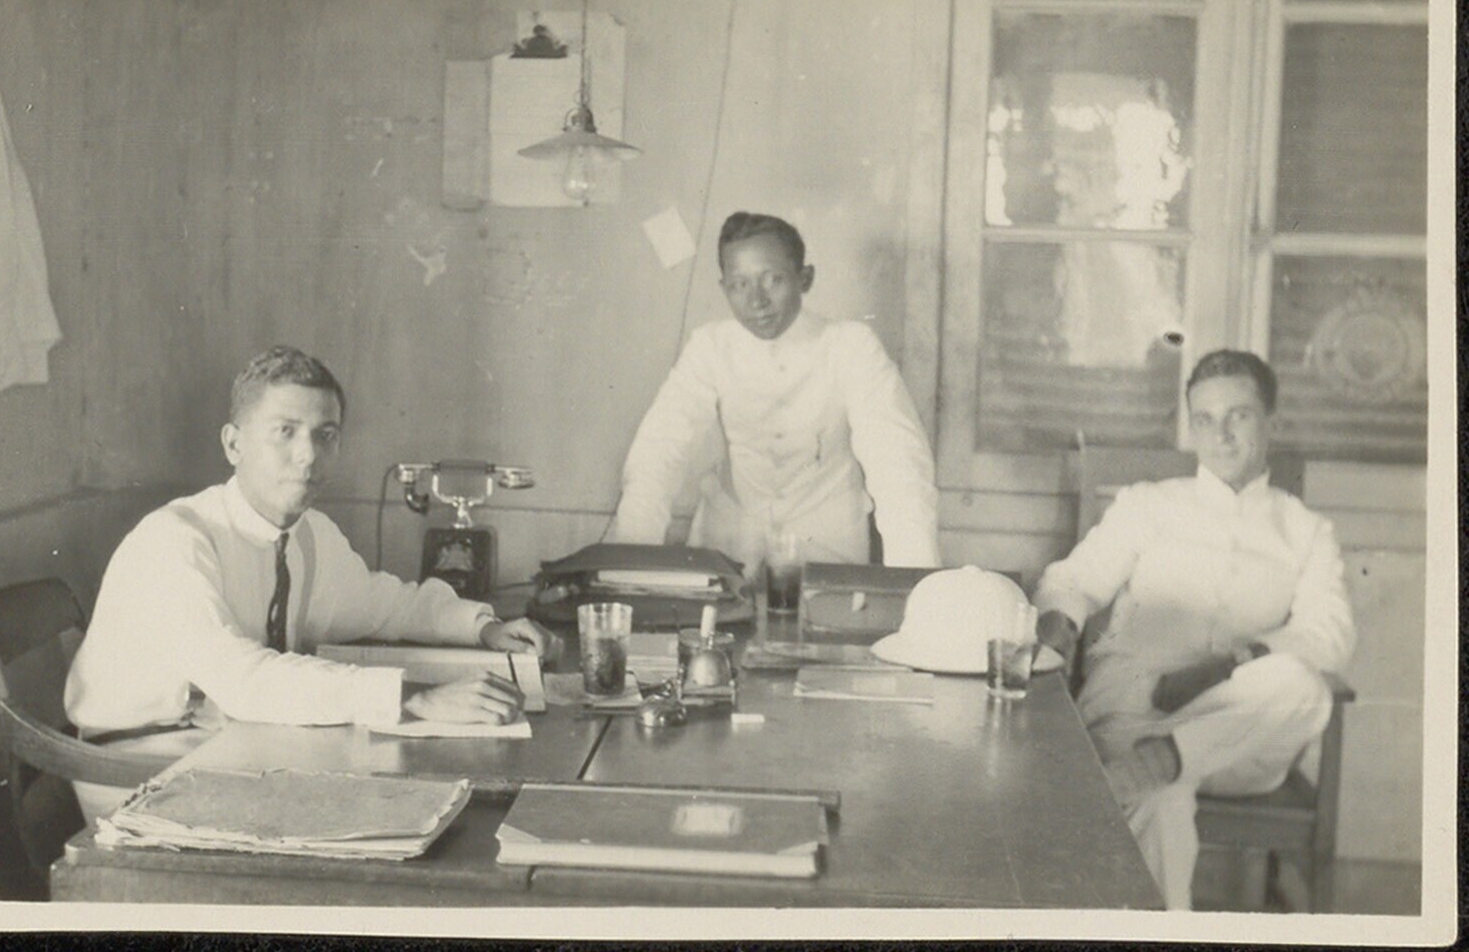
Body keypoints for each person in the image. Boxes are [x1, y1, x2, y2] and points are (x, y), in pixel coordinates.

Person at [64, 346, 558, 819]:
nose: (308, 455)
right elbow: (241, 680)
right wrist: (414, 697)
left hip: (233, 744)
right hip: (143, 769)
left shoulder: (308, 534)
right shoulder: (174, 539)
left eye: (326, 435)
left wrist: (482, 628)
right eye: (285, 431)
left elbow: (384, 605)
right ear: (234, 444)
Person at [1032, 350, 1355, 910]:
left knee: (1304, 686)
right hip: (1135, 712)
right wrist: (1057, 631)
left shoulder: (1305, 530)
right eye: (1204, 419)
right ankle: (1156, 784)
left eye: (1238, 416)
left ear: (1271, 422)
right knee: (1162, 798)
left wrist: (1228, 665)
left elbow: (1330, 634)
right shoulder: (1150, 505)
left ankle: (1157, 762)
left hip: (1237, 742)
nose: (1220, 436)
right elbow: (1075, 581)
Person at [610, 211, 941, 571]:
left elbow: (898, 461)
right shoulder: (710, 346)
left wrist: (916, 579)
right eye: (739, 285)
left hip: (827, 550)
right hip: (727, 547)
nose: (757, 301)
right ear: (724, 287)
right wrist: (627, 563)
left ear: (805, 278)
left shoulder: (851, 346)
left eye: (772, 280)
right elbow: (660, 449)